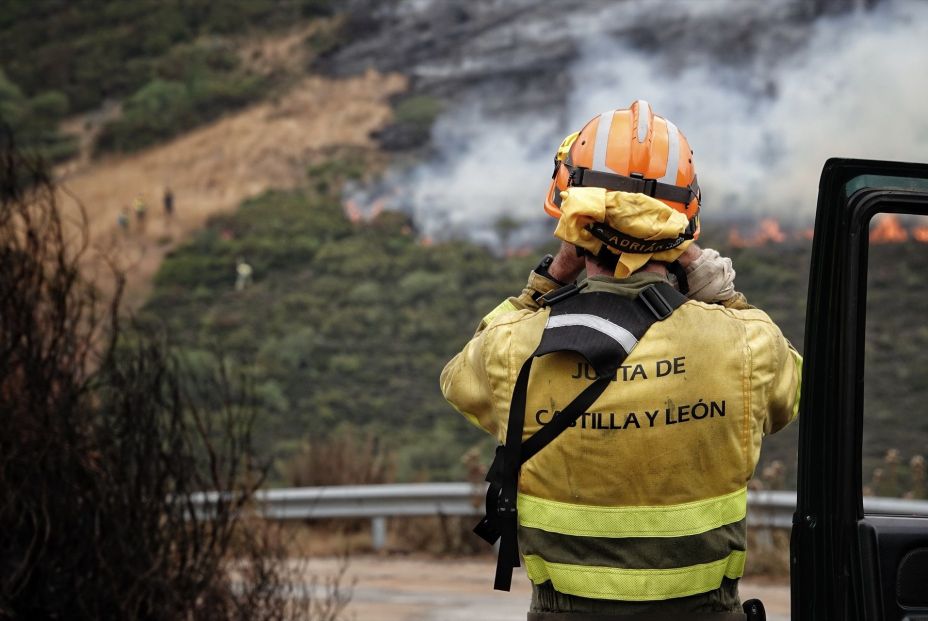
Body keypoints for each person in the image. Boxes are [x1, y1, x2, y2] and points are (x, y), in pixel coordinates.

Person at [440, 100, 801, 618]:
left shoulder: (512, 346)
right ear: (684, 221)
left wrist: (543, 284)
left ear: (571, 215)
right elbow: (791, 390)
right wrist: (722, 293)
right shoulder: (746, 345)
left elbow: (458, 380)